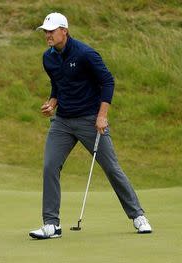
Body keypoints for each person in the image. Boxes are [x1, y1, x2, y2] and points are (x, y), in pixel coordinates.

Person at [29, 12, 152, 239]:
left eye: (51, 31)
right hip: (63, 122)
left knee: (112, 168)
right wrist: (52, 103)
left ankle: (138, 216)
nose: (47, 35)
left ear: (64, 31)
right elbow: (58, 85)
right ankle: (51, 225)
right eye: (45, 31)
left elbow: (107, 81)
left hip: (90, 120)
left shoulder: (85, 54)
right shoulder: (48, 58)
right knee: (49, 166)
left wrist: (102, 115)